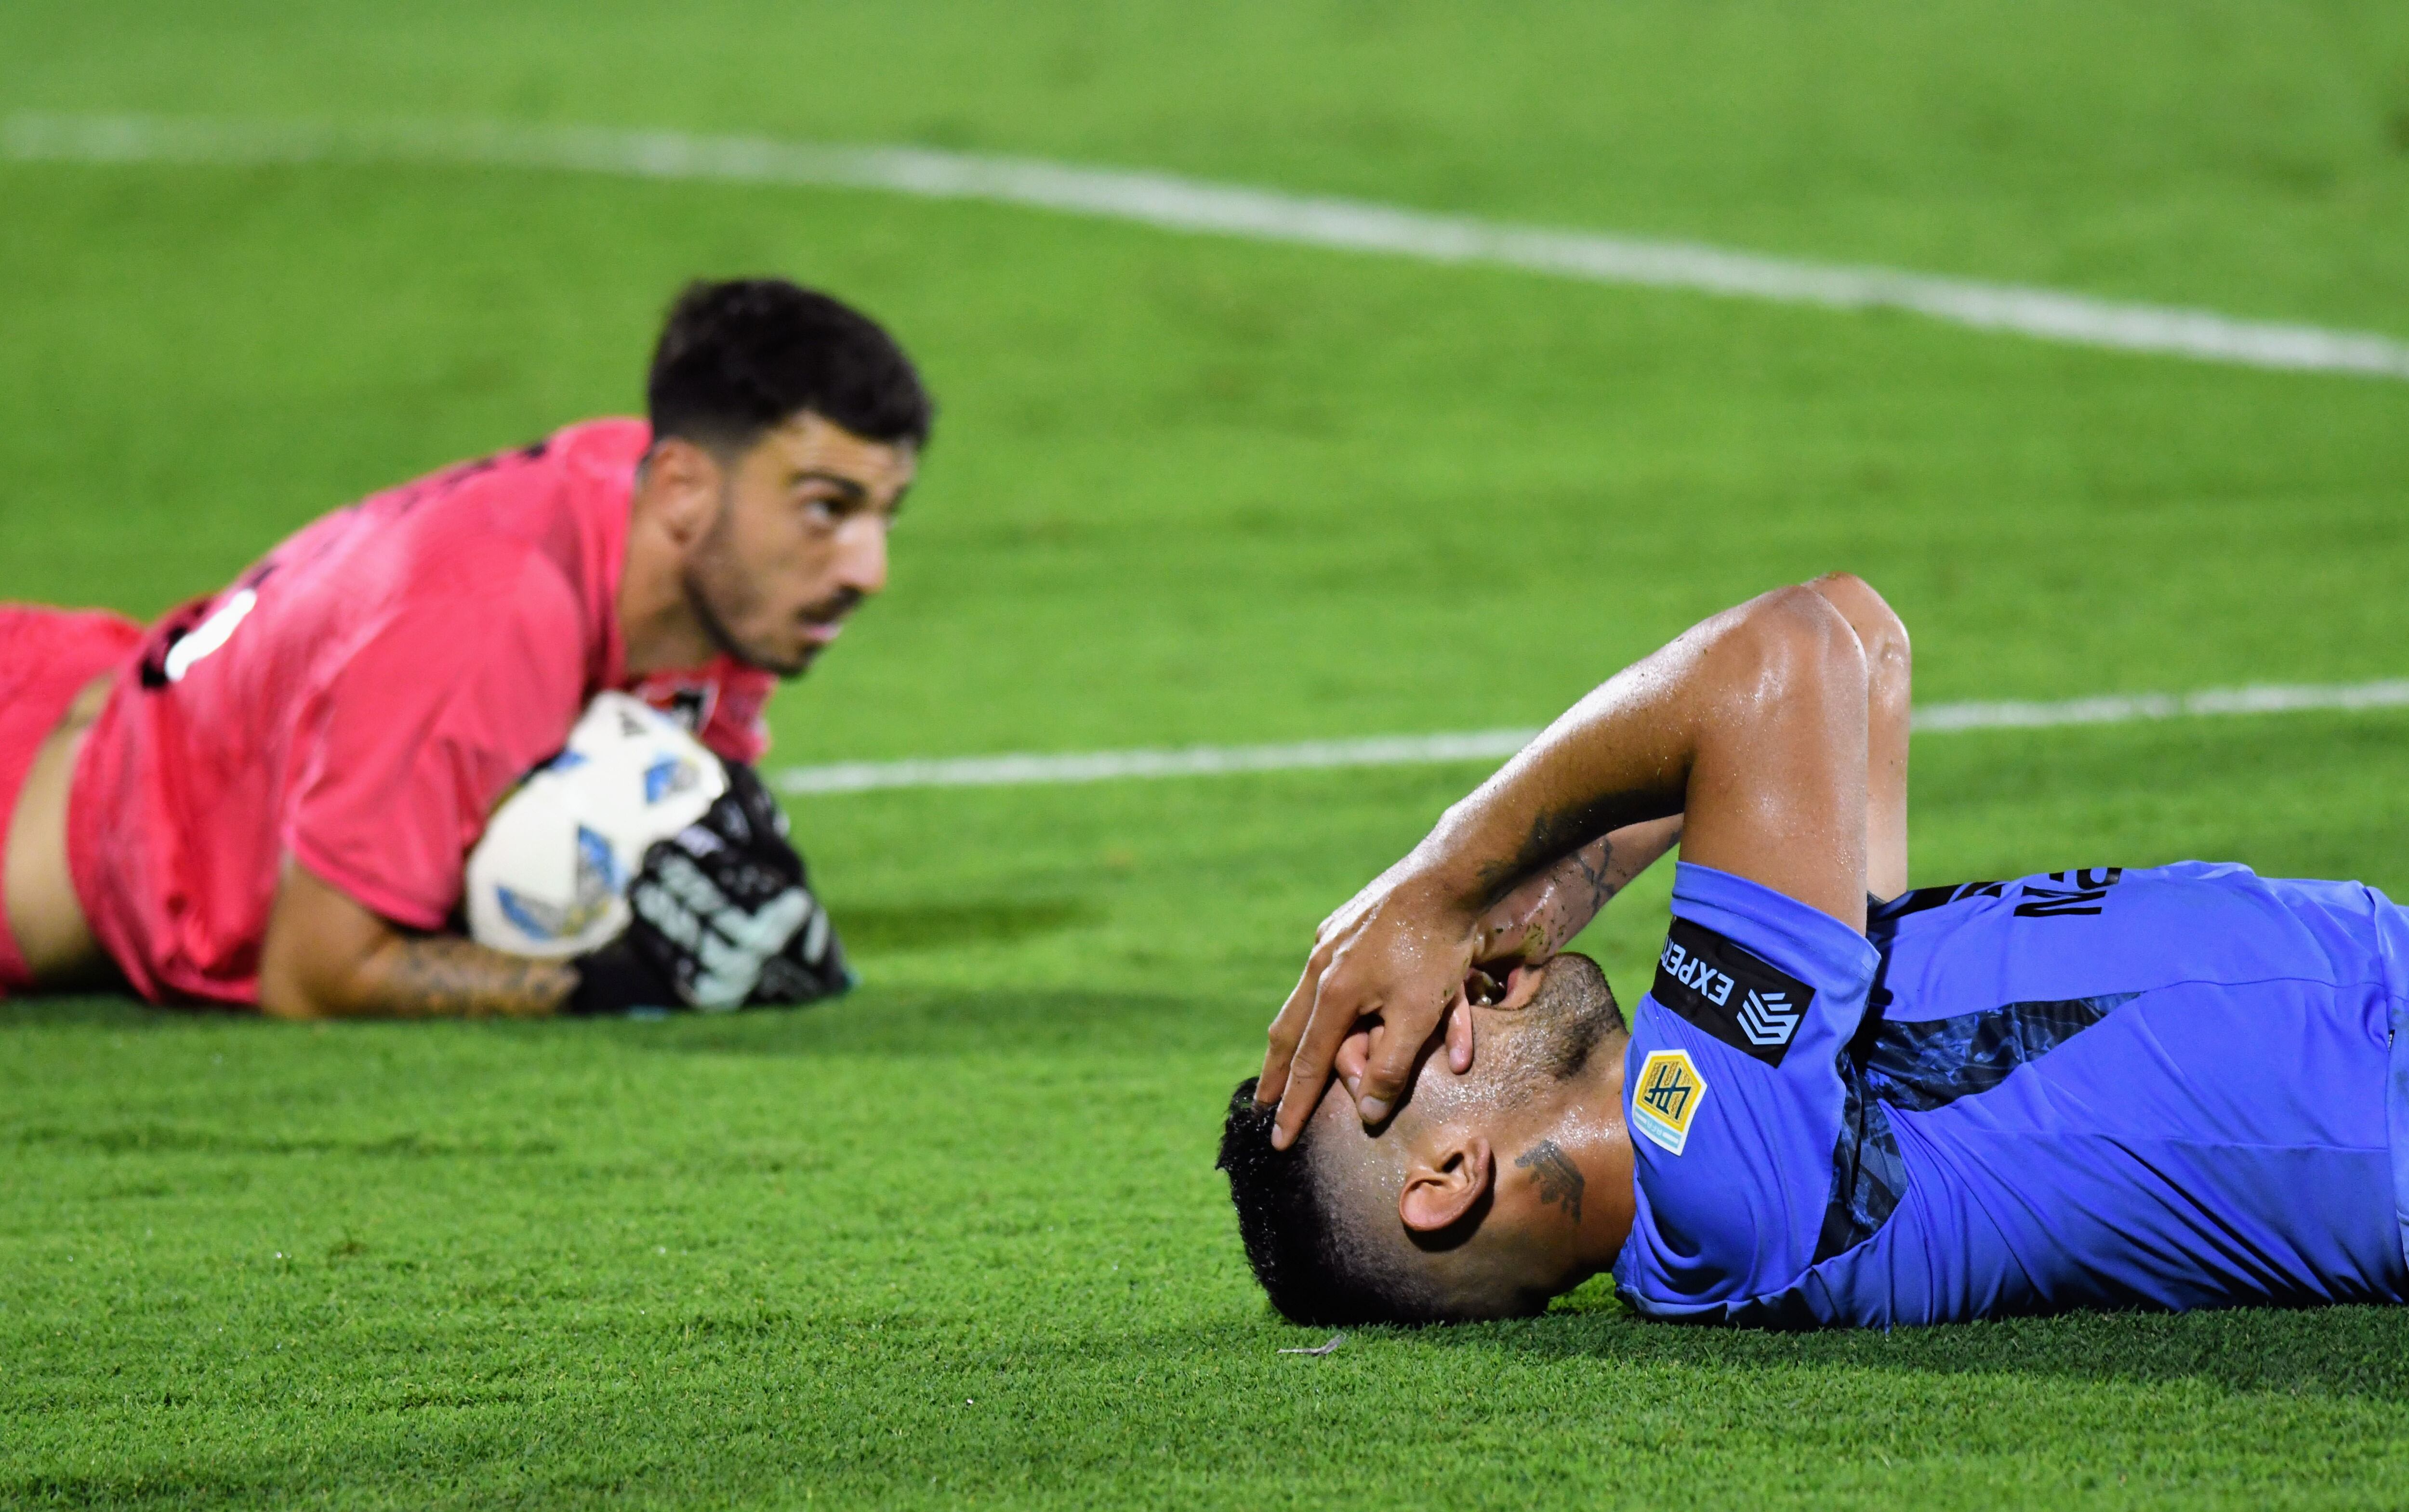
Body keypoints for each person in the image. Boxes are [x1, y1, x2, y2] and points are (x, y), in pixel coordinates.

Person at [1223, 574, 2409, 1326]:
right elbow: (1777, 660)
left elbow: (1856, 636)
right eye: (1390, 1041)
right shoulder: (1722, 1185)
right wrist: (1439, 883)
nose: (1445, 993)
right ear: (1448, 1182)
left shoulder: (1757, 1092)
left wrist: (1514, 914)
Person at [0, 277, 930, 1019]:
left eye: (883, 514)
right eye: (825, 510)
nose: (868, 568)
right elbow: (316, 973)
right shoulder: (491, 626)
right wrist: (616, 985)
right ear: (682, 487)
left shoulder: (677, 536)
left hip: (113, 696)